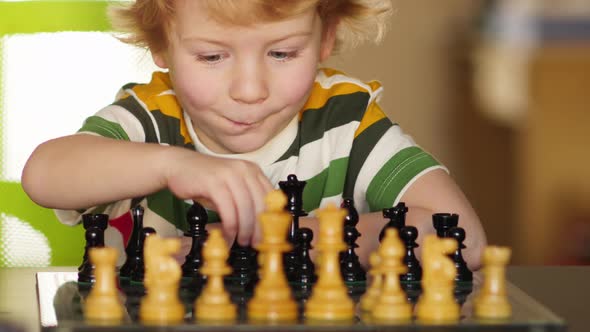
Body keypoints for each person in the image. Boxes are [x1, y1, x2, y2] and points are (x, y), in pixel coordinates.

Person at [21, 0, 486, 270]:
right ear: (160, 46)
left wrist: (291, 239)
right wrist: (172, 165)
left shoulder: (345, 122)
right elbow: (43, 176)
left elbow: (462, 234)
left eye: (282, 53)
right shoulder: (148, 120)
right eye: (211, 57)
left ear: (326, 37)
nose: (250, 90)